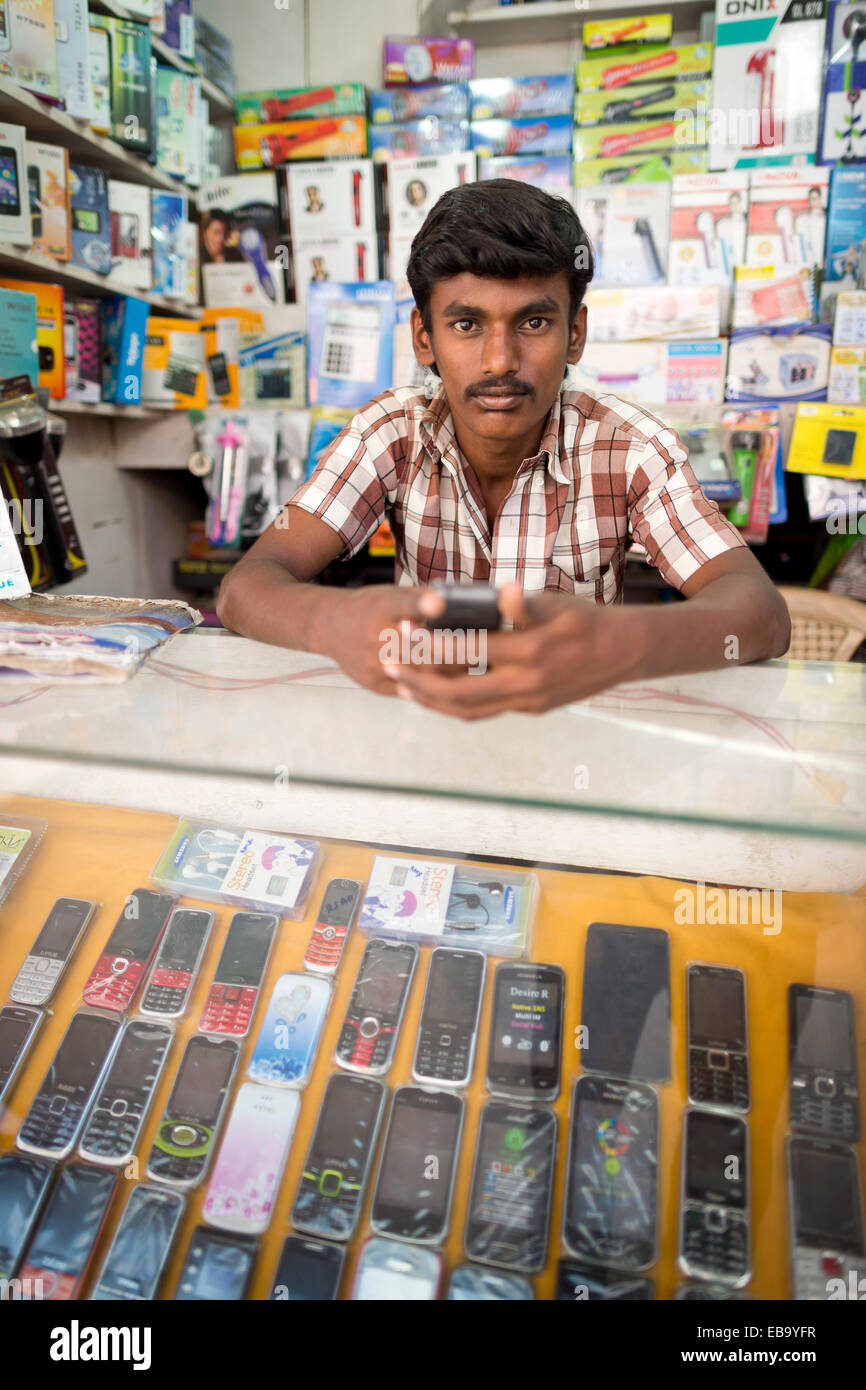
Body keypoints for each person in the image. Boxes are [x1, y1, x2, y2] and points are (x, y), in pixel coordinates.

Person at [218, 180, 790, 721]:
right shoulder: (390, 433)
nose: (499, 361)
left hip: (582, 748)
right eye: (466, 324)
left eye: (534, 322)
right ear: (424, 338)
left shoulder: (630, 448)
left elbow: (761, 614)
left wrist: (618, 642)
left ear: (575, 334)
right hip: (423, 735)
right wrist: (336, 622)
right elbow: (247, 587)